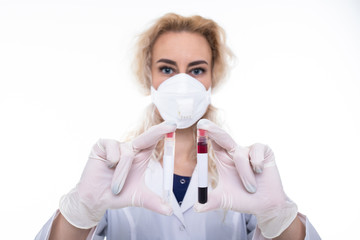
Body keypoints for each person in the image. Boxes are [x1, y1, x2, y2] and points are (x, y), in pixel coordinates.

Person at [36, 13, 321, 240]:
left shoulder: (241, 172)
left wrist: (279, 217)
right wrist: (81, 211)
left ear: (212, 78)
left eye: (197, 70)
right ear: (149, 75)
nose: (182, 84)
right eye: (167, 69)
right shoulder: (118, 167)